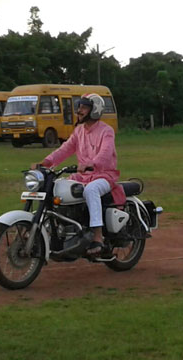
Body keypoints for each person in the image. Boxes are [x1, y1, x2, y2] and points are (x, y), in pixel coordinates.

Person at [31, 93, 125, 255]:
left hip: (104, 176)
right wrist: (46, 162)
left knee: (91, 190)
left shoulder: (106, 131)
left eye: (84, 107)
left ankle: (97, 237)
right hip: (81, 177)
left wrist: (92, 164)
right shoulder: (79, 131)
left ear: (94, 110)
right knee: (57, 187)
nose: (79, 111)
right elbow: (65, 149)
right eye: (79, 107)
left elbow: (105, 153)